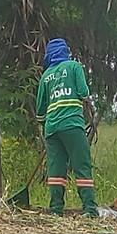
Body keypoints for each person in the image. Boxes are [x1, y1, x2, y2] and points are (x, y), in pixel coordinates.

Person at [35, 38, 98, 217]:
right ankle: (90, 209)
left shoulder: (46, 76)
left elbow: (40, 110)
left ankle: (55, 210)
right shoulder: (74, 67)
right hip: (72, 124)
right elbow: (84, 93)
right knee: (81, 166)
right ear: (65, 52)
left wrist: (46, 124)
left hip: (52, 128)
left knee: (56, 170)